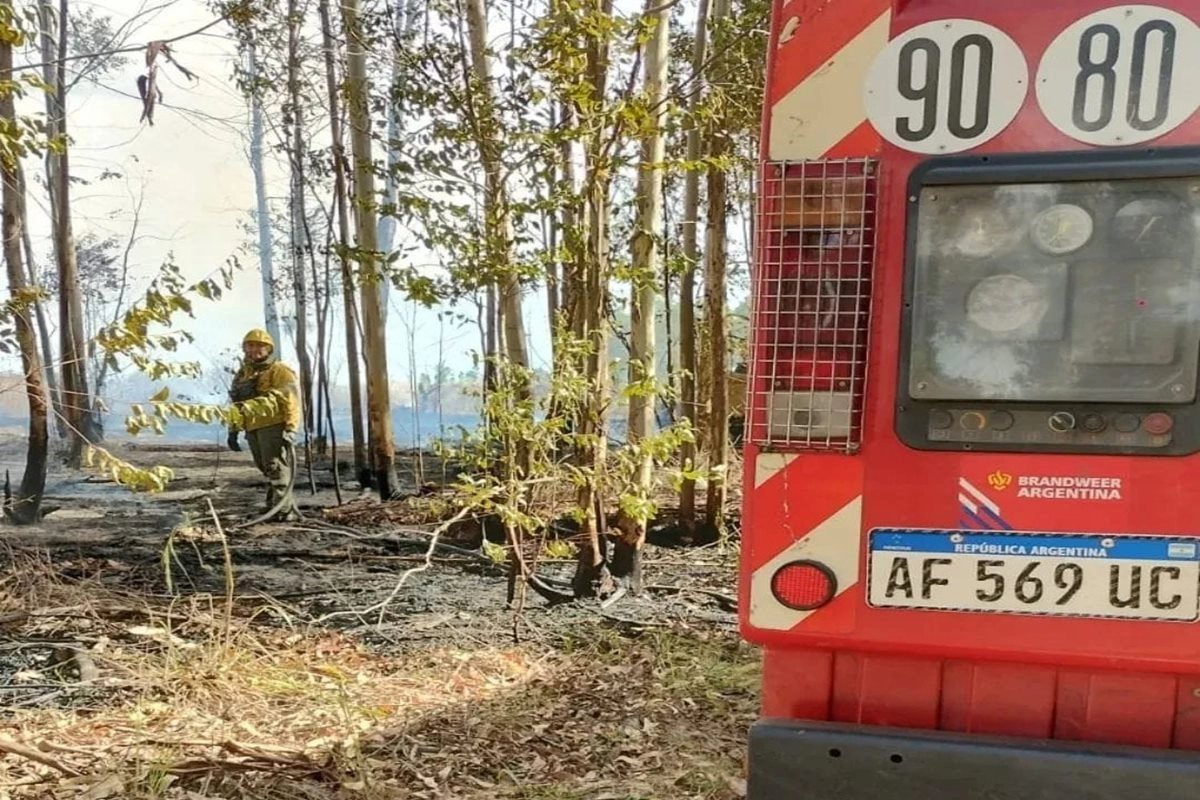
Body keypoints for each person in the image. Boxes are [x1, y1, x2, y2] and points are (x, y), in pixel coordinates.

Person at [226, 328, 302, 522]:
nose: (255, 350)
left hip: (273, 425)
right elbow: (236, 404)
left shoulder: (280, 371)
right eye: (251, 345)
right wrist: (233, 430)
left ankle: (284, 511)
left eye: (261, 346)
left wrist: (292, 428)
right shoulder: (243, 374)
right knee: (265, 467)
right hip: (252, 427)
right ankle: (275, 505)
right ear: (244, 348)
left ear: (269, 349)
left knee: (275, 466)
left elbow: (291, 399)